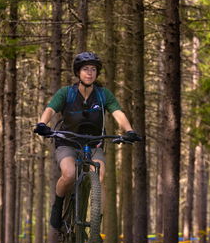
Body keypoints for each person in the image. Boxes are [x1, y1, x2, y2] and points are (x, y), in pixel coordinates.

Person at [33, 51, 141, 230]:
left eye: (93, 69)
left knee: (99, 176)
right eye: (85, 69)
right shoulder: (66, 93)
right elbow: (51, 109)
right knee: (68, 174)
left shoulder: (103, 94)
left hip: (93, 143)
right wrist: (42, 124)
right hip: (67, 141)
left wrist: (129, 131)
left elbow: (117, 113)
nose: (89, 73)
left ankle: (96, 226)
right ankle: (58, 206)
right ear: (78, 73)